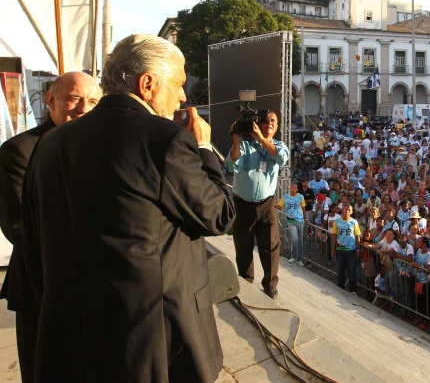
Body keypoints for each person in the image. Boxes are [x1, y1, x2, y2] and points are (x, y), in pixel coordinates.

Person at [21, 35, 236, 383]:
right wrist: (205, 146)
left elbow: (32, 242)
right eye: (178, 83)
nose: (182, 96)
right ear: (148, 83)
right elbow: (220, 215)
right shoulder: (163, 140)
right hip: (151, 341)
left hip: (69, 336)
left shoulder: (49, 143)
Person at [0, 71, 101, 383]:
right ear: (51, 100)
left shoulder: (100, 149)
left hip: (95, 289)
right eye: (74, 98)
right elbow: (18, 226)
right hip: (40, 285)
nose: (83, 108)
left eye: (93, 101)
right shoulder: (20, 150)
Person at [227, 105, 290, 300]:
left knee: (270, 247)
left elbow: (281, 158)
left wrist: (262, 140)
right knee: (243, 246)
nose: (269, 122)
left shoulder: (279, 145)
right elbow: (232, 165)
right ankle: (245, 282)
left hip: (267, 204)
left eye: (273, 120)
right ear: (257, 123)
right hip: (243, 204)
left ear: (277, 126)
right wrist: (236, 139)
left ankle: (270, 286)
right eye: (266, 119)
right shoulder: (245, 144)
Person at [331, 201, 361, 294]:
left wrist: (358, 249)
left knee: (352, 270)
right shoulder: (337, 221)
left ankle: (353, 289)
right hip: (340, 249)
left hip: (351, 249)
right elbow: (334, 235)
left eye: (349, 210)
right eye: (346, 209)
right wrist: (333, 249)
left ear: (351, 212)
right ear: (342, 210)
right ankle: (341, 286)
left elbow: (357, 236)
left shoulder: (354, 222)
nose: (347, 211)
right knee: (340, 269)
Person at [280, 182, 306, 266]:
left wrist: (305, 218)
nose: (293, 190)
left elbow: (303, 208)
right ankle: (294, 256)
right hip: (291, 221)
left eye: (295, 188)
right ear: (290, 188)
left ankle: (300, 259)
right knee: (295, 239)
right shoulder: (285, 197)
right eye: (292, 188)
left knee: (300, 240)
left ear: (297, 189)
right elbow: (279, 206)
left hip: (300, 221)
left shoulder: (300, 197)